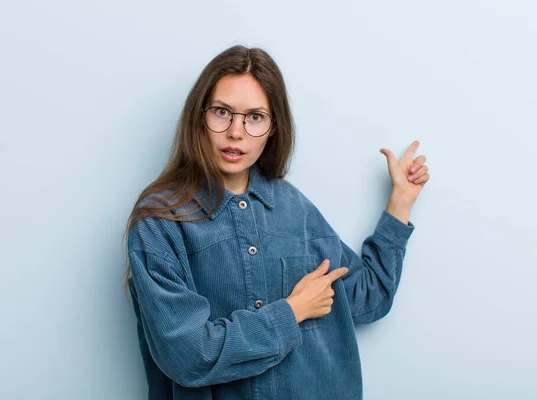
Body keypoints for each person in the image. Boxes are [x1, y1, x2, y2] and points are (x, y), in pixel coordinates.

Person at [123, 45, 430, 399]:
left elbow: (367, 300)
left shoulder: (294, 207)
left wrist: (401, 201)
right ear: (199, 117)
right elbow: (189, 356)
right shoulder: (160, 220)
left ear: (272, 128)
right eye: (222, 112)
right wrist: (293, 311)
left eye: (254, 117)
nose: (236, 132)